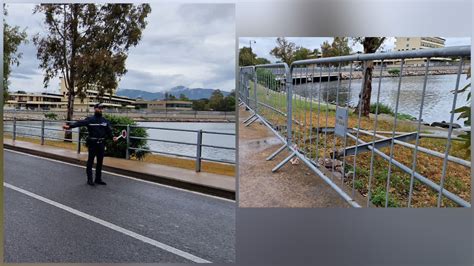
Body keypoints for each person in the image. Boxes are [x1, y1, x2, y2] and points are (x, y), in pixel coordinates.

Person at [63, 103, 118, 186]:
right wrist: (69, 126)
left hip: (101, 144)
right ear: (95, 109)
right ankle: (90, 179)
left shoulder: (105, 121)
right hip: (92, 143)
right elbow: (80, 123)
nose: (100, 109)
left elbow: (109, 131)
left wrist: (113, 137)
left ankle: (98, 179)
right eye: (99, 108)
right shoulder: (90, 119)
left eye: (101, 108)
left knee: (100, 162)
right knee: (90, 161)